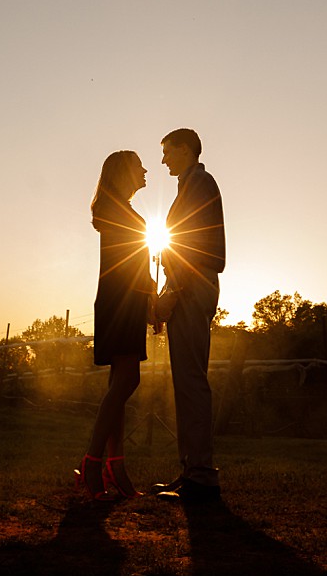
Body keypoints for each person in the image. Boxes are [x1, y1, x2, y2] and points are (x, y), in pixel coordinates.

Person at [74, 149, 155, 501]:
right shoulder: (118, 211)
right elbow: (130, 264)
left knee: (119, 385)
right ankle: (93, 462)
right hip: (122, 300)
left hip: (123, 300)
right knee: (127, 380)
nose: (146, 170)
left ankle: (114, 464)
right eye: (139, 166)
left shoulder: (119, 210)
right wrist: (151, 299)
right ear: (124, 172)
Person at [152, 127, 225, 502]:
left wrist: (172, 293)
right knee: (185, 378)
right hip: (188, 287)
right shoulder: (189, 185)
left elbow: (193, 246)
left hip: (193, 289)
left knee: (191, 378)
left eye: (167, 151)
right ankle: (192, 470)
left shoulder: (199, 184)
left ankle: (201, 474)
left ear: (185, 150)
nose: (162, 159)